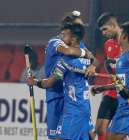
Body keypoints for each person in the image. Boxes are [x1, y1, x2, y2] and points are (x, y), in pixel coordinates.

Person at [38, 11, 97, 140]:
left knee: (83, 133)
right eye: (78, 26)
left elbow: (94, 59)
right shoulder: (55, 41)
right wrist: (85, 54)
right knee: (56, 136)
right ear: (69, 28)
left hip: (71, 98)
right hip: (56, 94)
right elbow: (67, 51)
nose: (81, 29)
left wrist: (92, 66)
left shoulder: (78, 44)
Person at [94, 12, 129, 140]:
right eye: (101, 30)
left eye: (105, 29)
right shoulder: (107, 45)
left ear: (114, 25)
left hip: (127, 94)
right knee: (99, 128)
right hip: (111, 93)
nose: (103, 33)